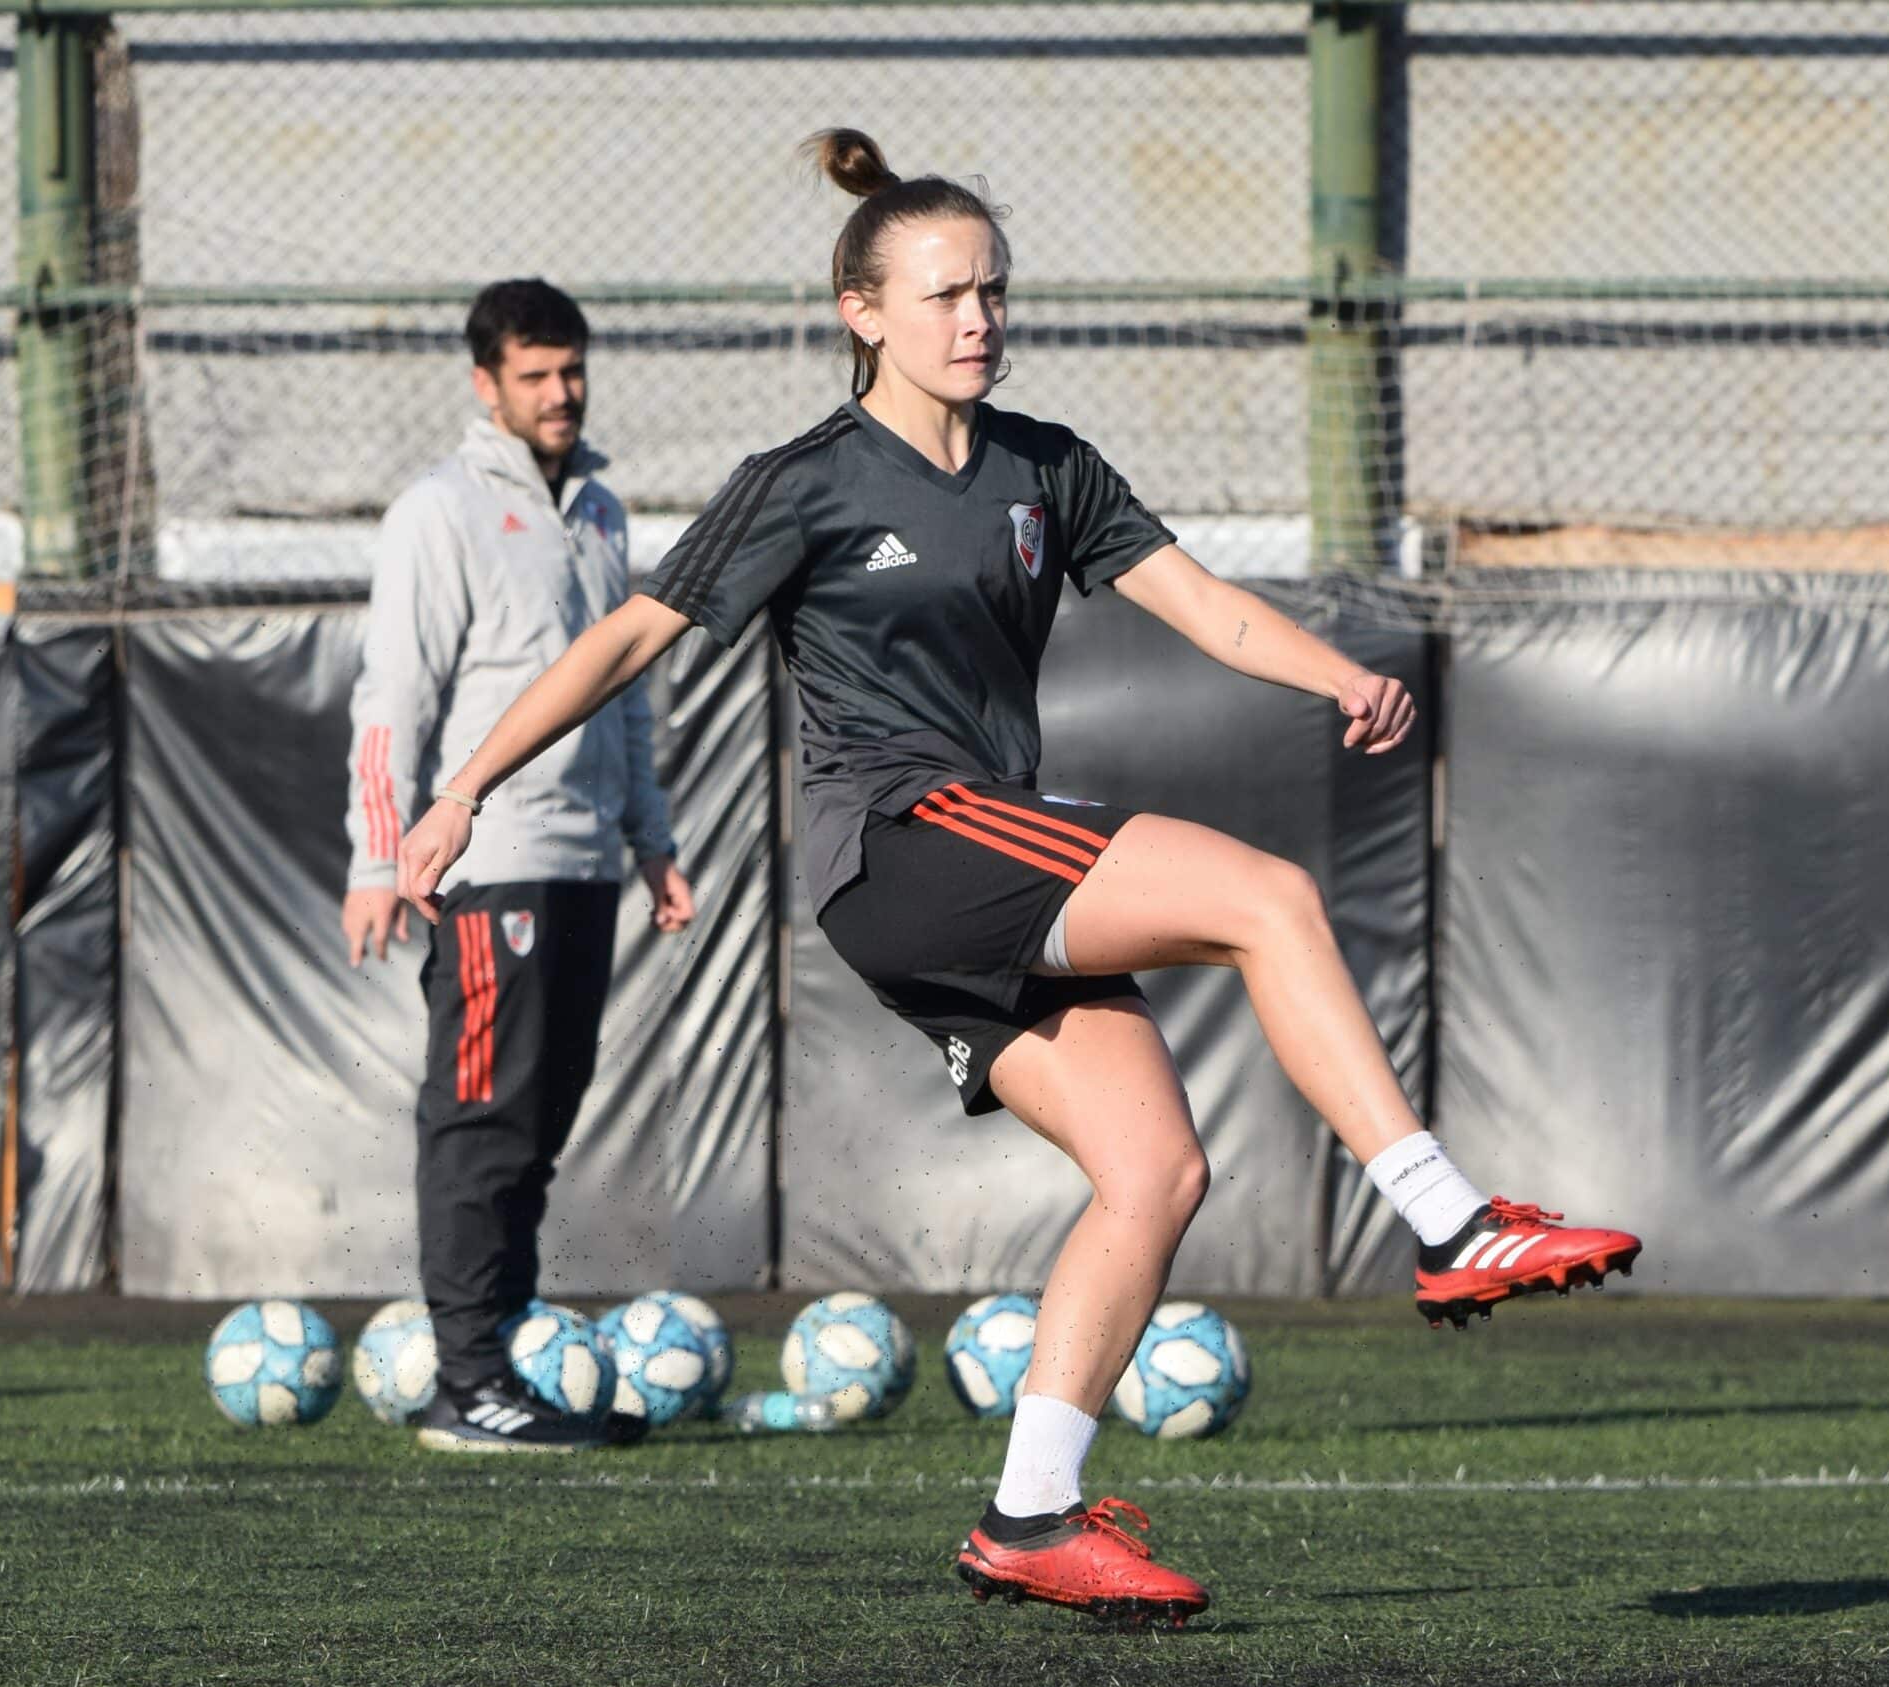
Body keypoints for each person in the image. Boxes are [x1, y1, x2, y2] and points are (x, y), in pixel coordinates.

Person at [396, 136, 1640, 1612]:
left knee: (1156, 1167)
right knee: (1269, 897)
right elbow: (623, 640)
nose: (976, 318)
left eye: (992, 290)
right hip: (906, 841)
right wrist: (465, 784)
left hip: (977, 854)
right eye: (943, 295)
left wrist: (1340, 678)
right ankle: (1447, 1217)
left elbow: (1208, 608)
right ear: (863, 311)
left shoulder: (1047, 465)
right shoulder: (798, 482)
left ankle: (1031, 1513)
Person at [344, 277, 697, 1453]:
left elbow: (624, 691)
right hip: (484, 865)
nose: (559, 393)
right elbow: (393, 698)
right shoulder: (436, 513)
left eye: (572, 371)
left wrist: (653, 841)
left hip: (585, 860)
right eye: (535, 376)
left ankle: (502, 1355)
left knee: (540, 1120)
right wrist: (377, 858)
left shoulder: (600, 510)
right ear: (484, 382)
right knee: (482, 1117)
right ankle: (468, 1381)